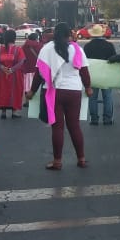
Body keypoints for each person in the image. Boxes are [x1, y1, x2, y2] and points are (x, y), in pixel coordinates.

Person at [26, 23, 92, 169]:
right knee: (74, 126)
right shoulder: (77, 49)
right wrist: (87, 87)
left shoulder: (47, 49)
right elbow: (84, 72)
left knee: (57, 127)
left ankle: (57, 161)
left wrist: (32, 91)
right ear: (69, 34)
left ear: (55, 33)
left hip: (53, 91)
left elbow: (39, 73)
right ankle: (81, 159)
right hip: (74, 91)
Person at [83, 25, 117, 126]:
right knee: (107, 97)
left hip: (93, 75)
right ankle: (107, 119)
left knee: (92, 97)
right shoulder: (109, 45)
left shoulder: (87, 46)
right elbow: (113, 58)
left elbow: (84, 61)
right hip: (106, 74)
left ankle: (94, 119)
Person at [0, 30, 25, 119]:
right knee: (15, 91)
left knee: (2, 91)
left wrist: (2, 67)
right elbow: (21, 62)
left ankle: (3, 112)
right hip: (15, 75)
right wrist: (12, 69)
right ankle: (14, 112)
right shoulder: (18, 49)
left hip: (2, 75)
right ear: (14, 38)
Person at [21, 32, 42, 98]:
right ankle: (35, 100)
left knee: (27, 85)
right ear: (36, 38)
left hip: (26, 69)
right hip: (36, 69)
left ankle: (27, 100)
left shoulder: (24, 47)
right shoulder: (40, 46)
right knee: (36, 84)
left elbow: (22, 58)